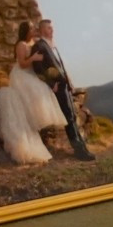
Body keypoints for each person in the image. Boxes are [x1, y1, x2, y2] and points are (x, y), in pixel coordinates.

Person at [0, 21, 69, 165]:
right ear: (26, 31)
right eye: (32, 28)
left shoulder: (35, 43)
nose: (34, 30)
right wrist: (33, 58)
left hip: (31, 74)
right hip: (21, 75)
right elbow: (22, 63)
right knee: (38, 89)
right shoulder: (21, 44)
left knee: (42, 89)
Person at [28, 19, 92, 159]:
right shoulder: (39, 46)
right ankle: (80, 152)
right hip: (57, 88)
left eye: (52, 28)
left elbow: (59, 66)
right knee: (69, 118)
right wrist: (51, 84)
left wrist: (69, 81)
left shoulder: (52, 46)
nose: (52, 30)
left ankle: (82, 148)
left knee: (72, 116)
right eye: (49, 28)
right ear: (42, 29)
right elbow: (38, 69)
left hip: (65, 86)